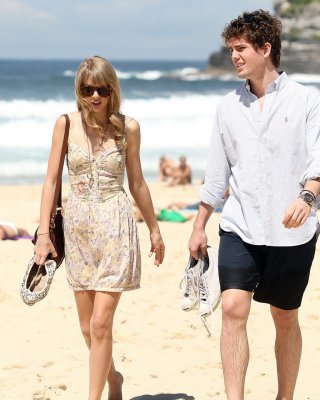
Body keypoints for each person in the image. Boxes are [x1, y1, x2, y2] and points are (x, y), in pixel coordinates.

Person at [188, 10, 320, 400]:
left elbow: (318, 162)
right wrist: (199, 225)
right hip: (240, 226)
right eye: (231, 49)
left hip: (292, 231)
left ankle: (285, 397)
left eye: (241, 48)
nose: (234, 56)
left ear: (266, 49)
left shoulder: (306, 101)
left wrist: (307, 197)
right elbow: (217, 175)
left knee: (284, 317)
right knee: (231, 308)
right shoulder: (227, 107)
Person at [34, 55, 165, 400]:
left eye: (102, 89)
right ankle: (114, 379)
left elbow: (137, 182)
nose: (95, 96)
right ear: (79, 90)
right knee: (86, 327)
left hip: (116, 228)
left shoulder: (128, 127)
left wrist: (154, 229)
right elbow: (50, 181)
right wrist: (44, 235)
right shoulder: (65, 124)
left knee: (100, 324)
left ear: (112, 89)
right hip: (77, 231)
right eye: (87, 89)